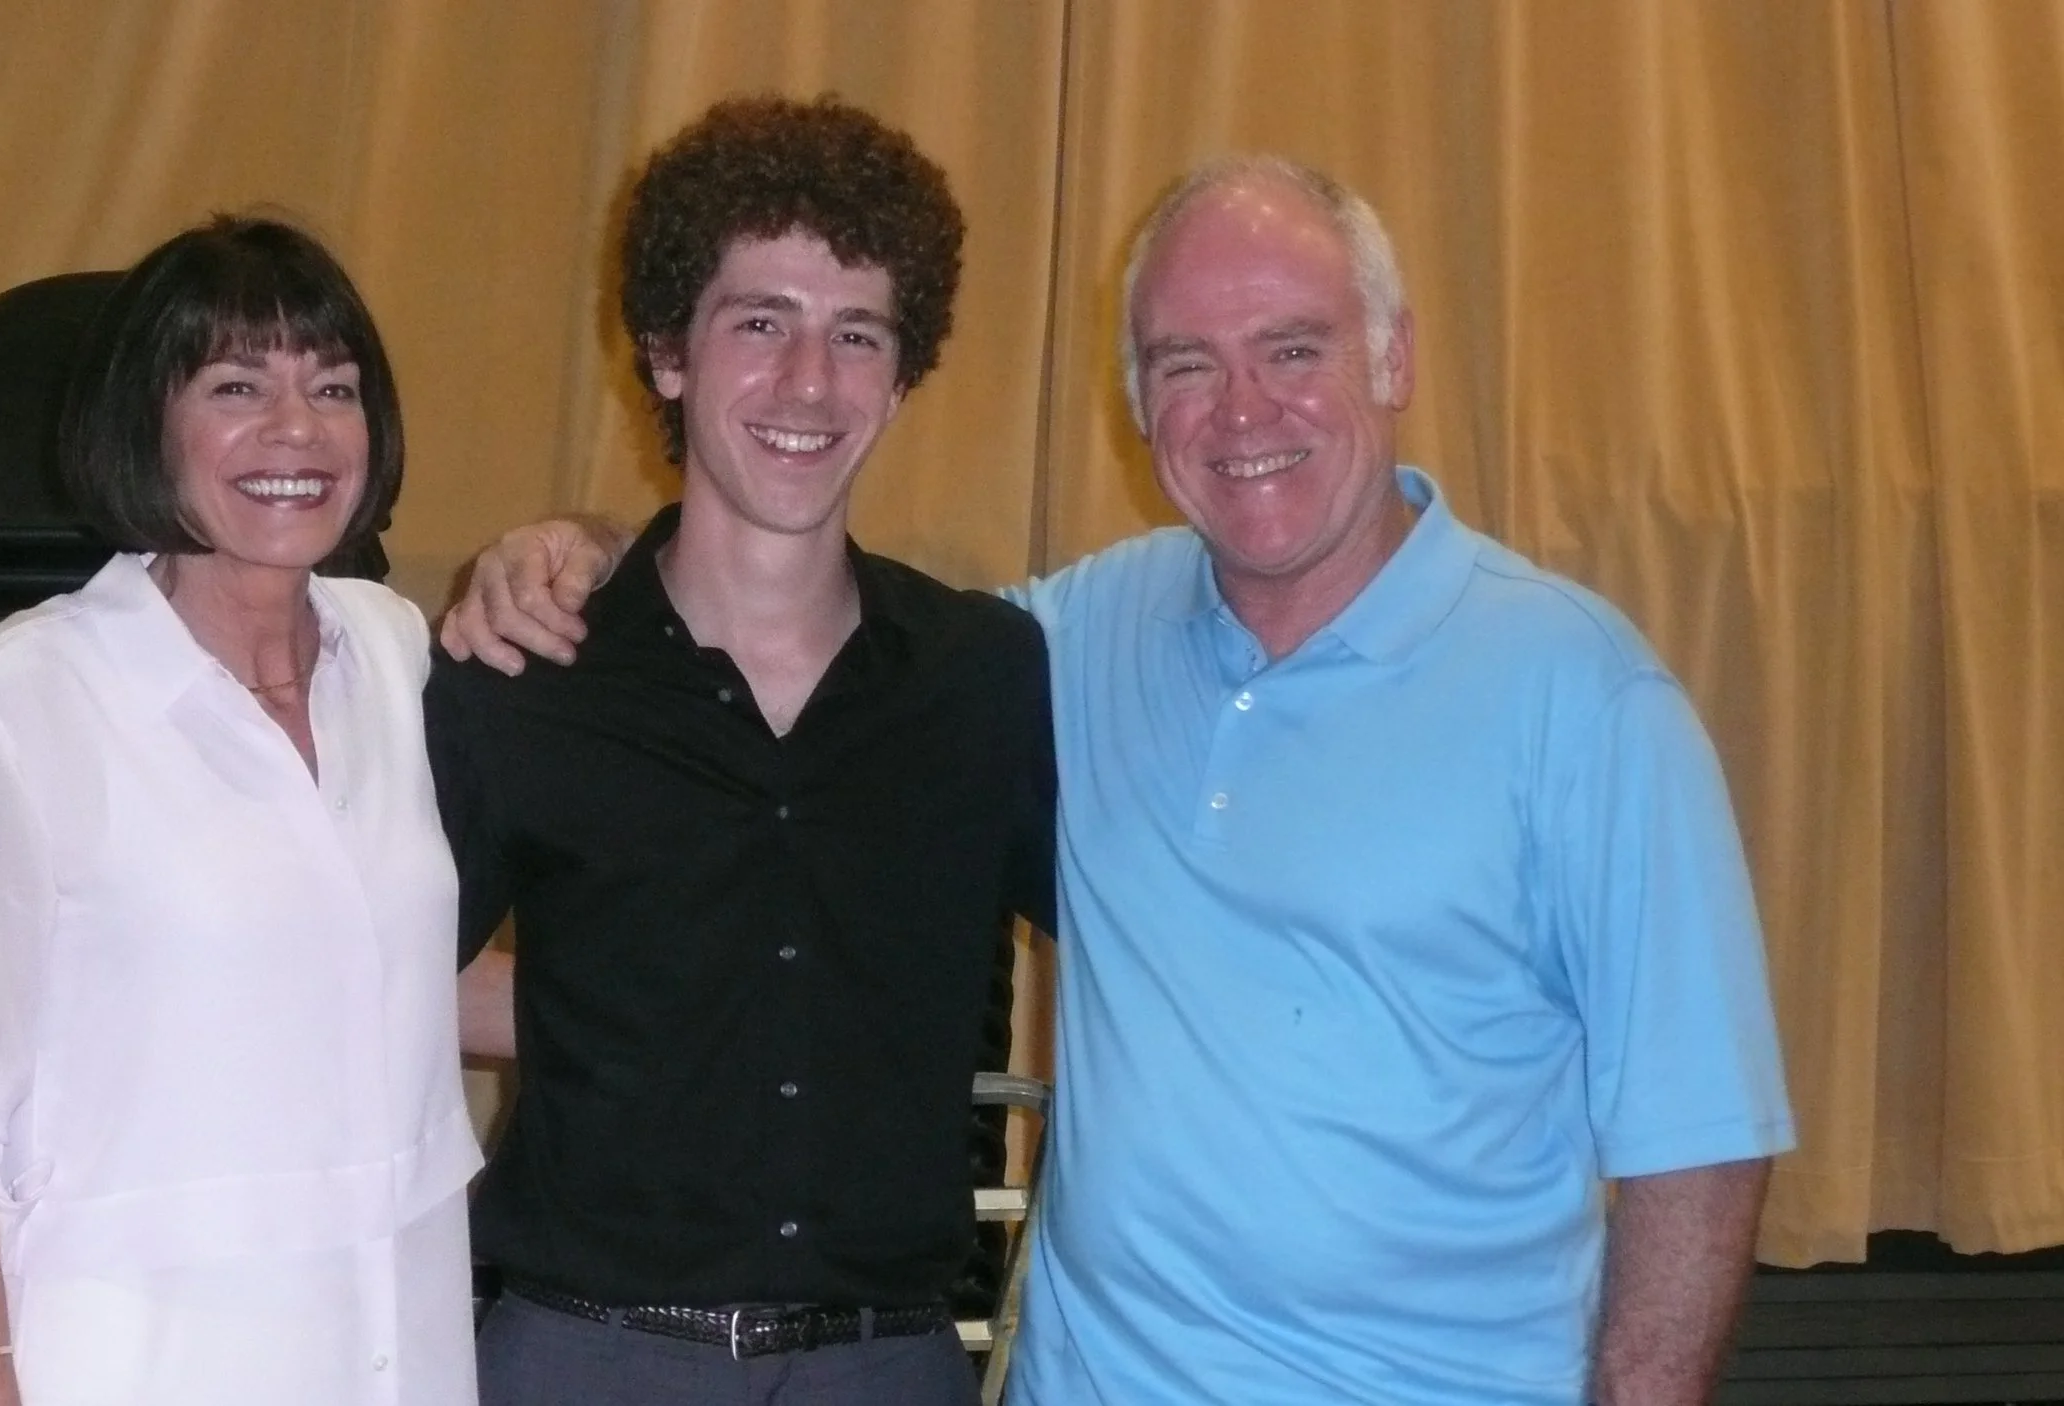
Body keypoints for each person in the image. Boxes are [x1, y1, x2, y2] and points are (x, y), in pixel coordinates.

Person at [443, 155, 1797, 1405]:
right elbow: (753, 710)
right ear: (1139, 398)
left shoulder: (1581, 695)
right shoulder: (1055, 649)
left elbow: (1700, 1141)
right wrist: (584, 549)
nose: (1245, 407)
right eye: (1187, 361)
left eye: (1294, 348)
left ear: (1392, 358)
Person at [0, 216, 482, 1406]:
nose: (296, 429)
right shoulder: (20, 698)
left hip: (398, 1345)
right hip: (137, 1357)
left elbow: (374, 969)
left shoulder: (394, 650)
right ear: (145, 426)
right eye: (235, 384)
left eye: (333, 385)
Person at [428, 95, 1056, 1406]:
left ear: (901, 373)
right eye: (760, 321)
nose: (809, 382)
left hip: (889, 1364)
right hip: (578, 1356)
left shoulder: (988, 680)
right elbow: (359, 985)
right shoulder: (527, 670)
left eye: (857, 334)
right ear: (668, 350)